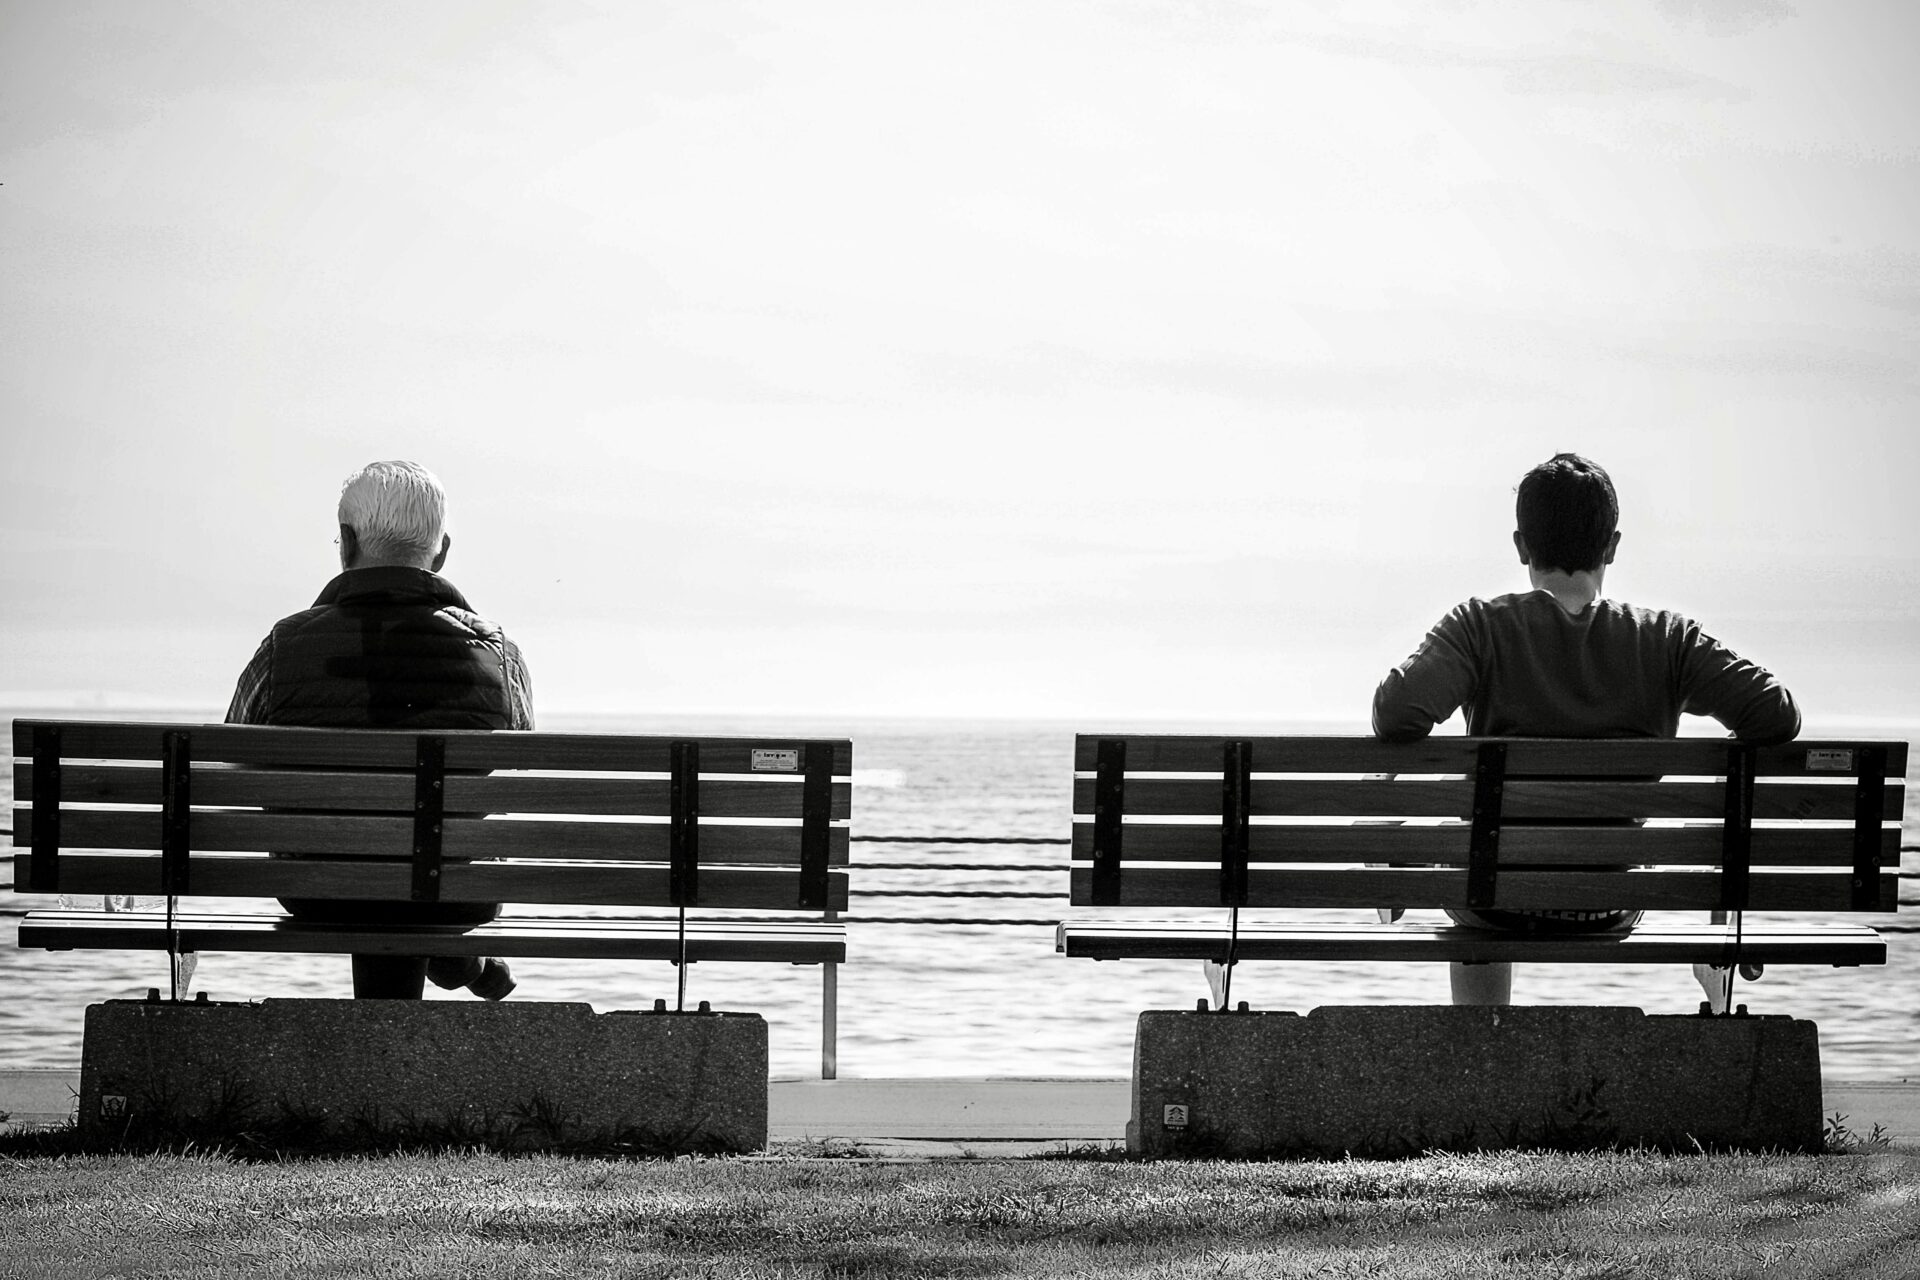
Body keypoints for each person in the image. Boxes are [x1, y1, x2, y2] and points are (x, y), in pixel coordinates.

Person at [1371, 452, 1800, 1008]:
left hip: (1490, 899)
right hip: (1611, 900)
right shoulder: (1668, 640)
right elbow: (1775, 715)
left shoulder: (1479, 627)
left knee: (1466, 864)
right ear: (1612, 547)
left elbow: (1395, 713)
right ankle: (1713, 954)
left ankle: (1482, 1035)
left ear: (1522, 545)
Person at [226, 460, 534, 999]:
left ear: (346, 543)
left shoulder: (285, 645)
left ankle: (456, 971)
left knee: (383, 868)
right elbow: (517, 772)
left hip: (319, 888)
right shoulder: (496, 653)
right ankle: (461, 964)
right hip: (456, 889)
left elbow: (232, 767)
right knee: (423, 866)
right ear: (440, 553)